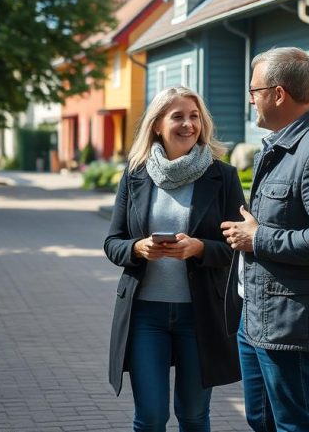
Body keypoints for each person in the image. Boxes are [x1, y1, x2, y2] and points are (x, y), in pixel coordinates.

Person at [221, 47, 309, 432]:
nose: (250, 99)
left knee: (297, 425)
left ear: (278, 94)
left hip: (293, 326)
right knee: (261, 421)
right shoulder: (283, 143)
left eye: (254, 91)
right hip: (259, 317)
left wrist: (259, 237)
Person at [104, 86, 245, 432]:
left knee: (194, 416)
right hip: (145, 315)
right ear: (156, 125)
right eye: (177, 116)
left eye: (194, 116)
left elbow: (237, 245)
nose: (188, 124)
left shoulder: (222, 176)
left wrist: (199, 248)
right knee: (150, 417)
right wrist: (138, 249)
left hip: (200, 315)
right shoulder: (135, 173)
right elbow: (112, 242)